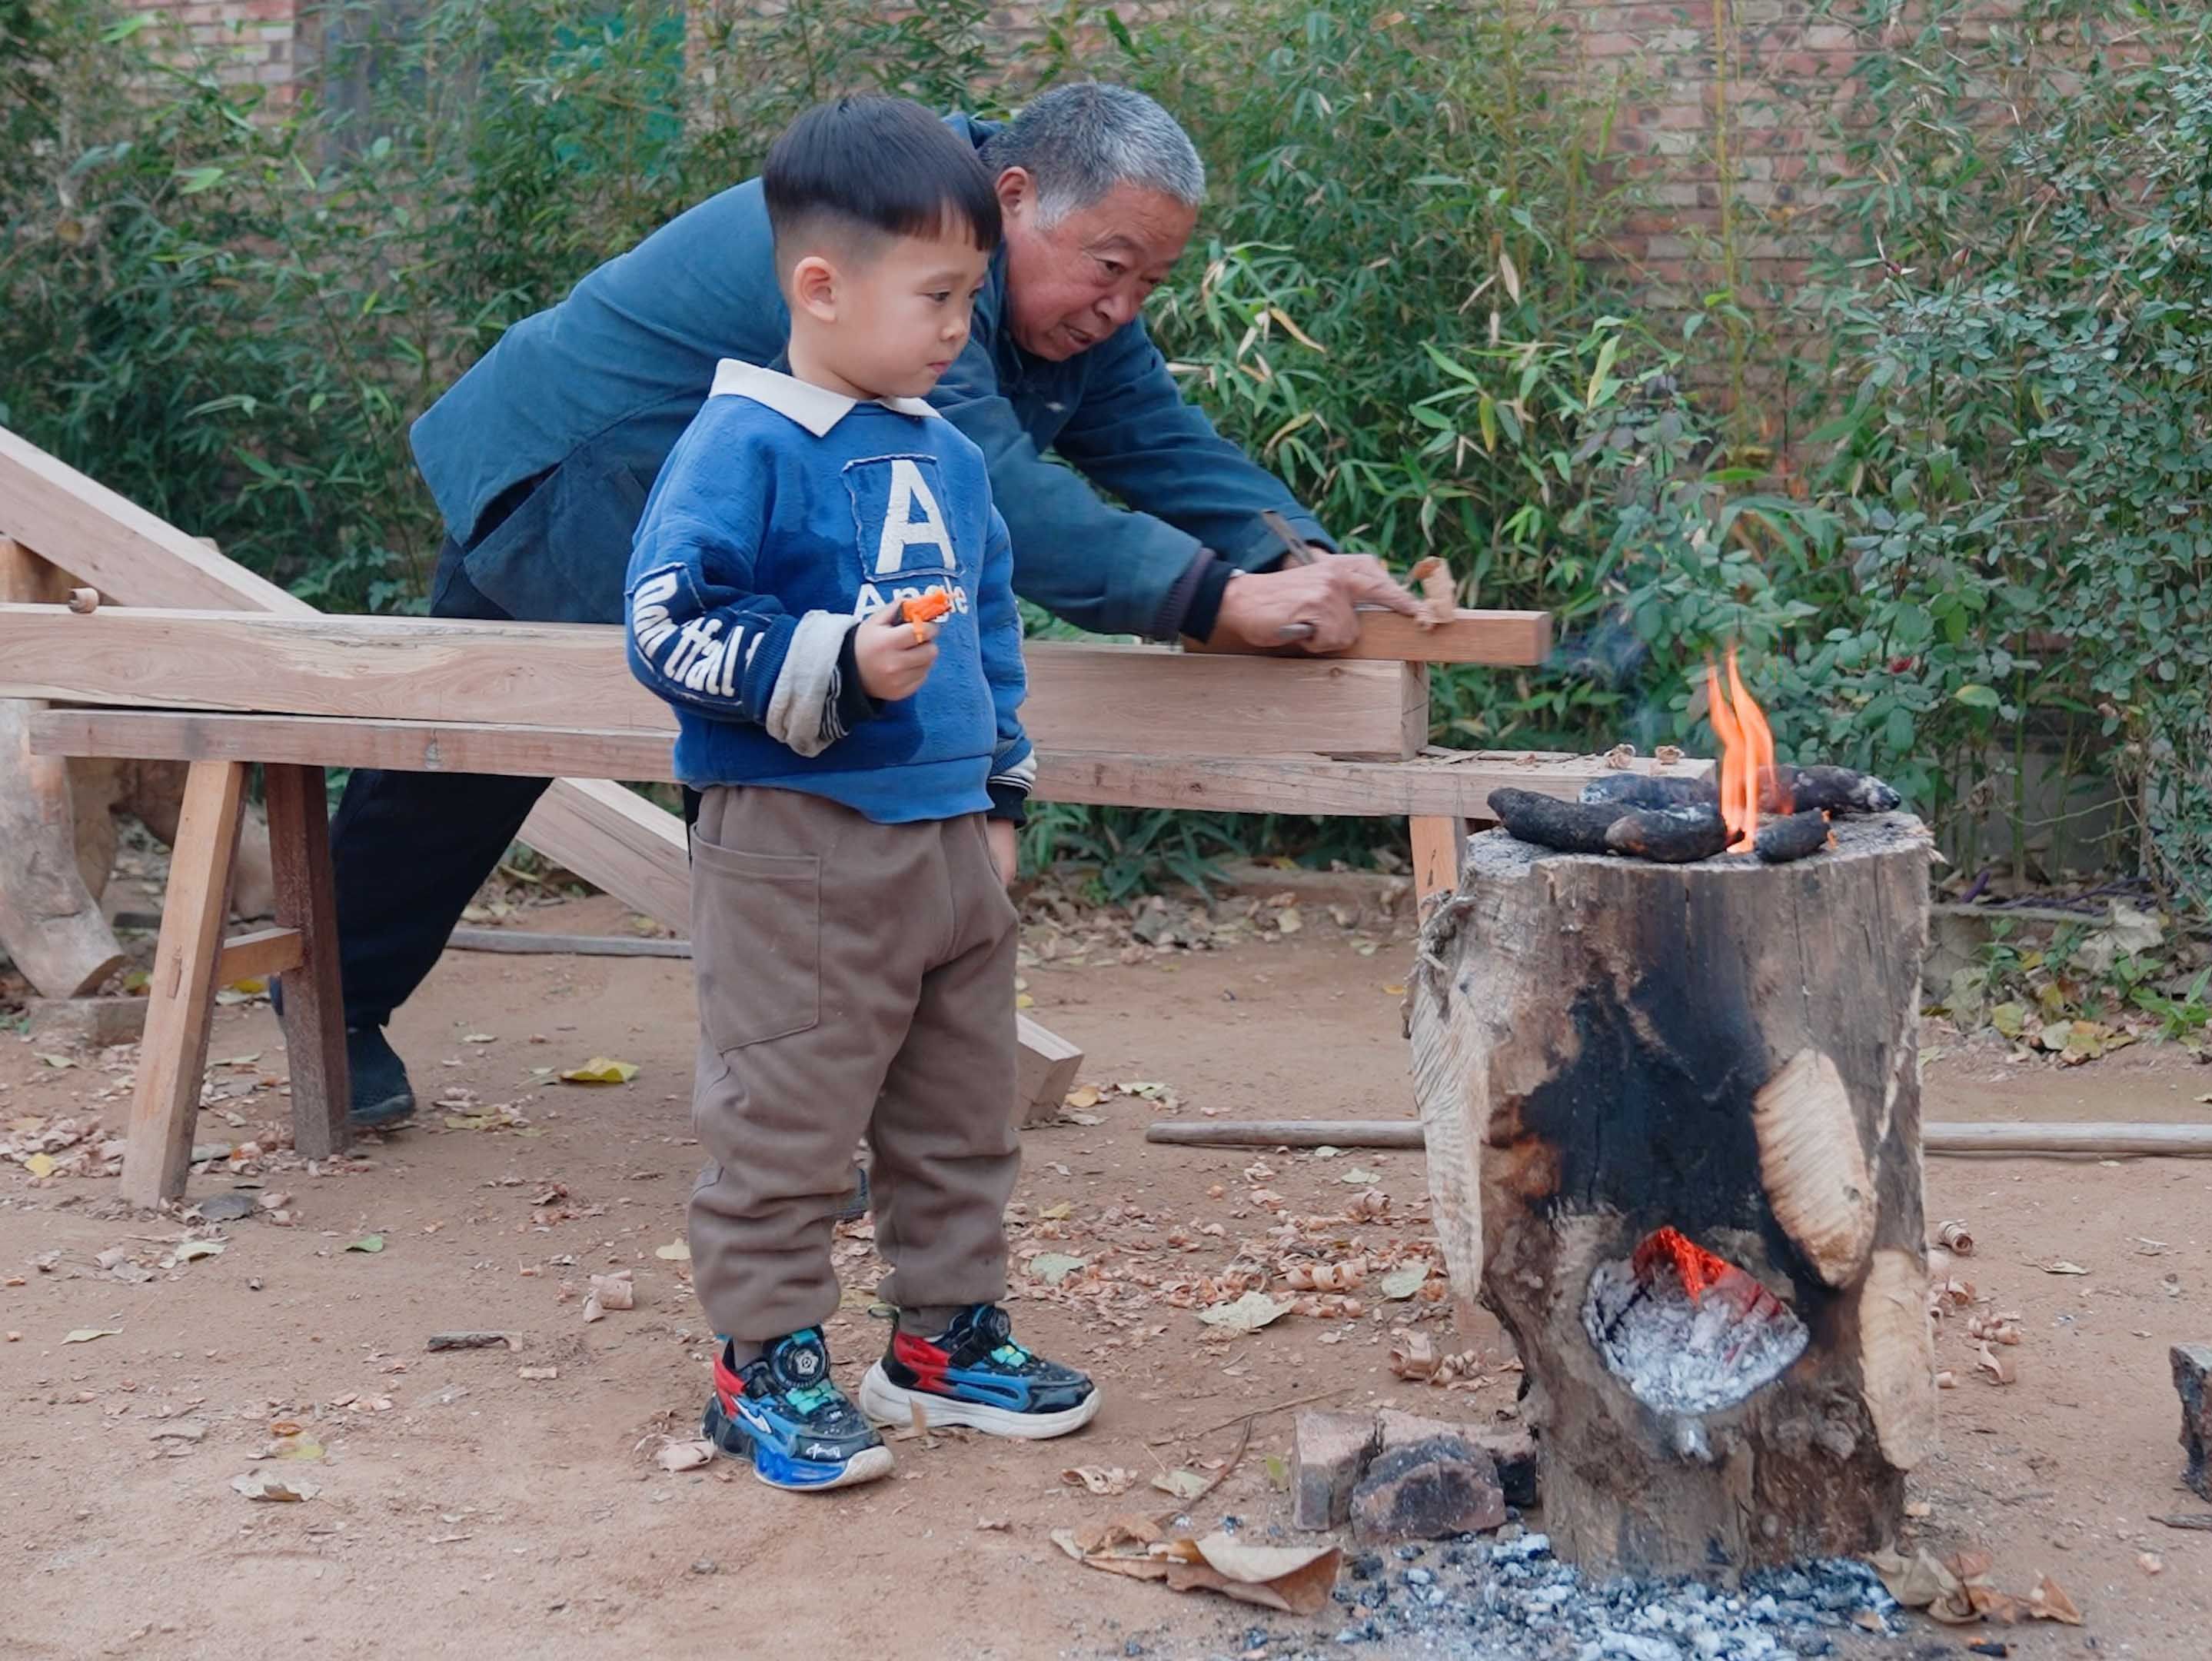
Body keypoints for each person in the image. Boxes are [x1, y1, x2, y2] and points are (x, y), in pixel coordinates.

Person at [325, 83, 1425, 1127]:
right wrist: (1216, 600)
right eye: (1111, 268)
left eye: (1148, 284)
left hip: (713, 495)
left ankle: (804, 1083)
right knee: (645, 752)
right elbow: (984, 490)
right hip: (575, 468)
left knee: (538, 756)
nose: (1121, 307)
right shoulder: (908, 244)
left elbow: (1159, 437)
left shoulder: (1038, 285)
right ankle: (772, 1098)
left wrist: (1301, 557)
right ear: (1016, 200)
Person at [624, 95, 1096, 1493]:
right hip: (801, 845)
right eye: (937, 297)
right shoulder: (744, 442)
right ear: (820, 288)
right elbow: (664, 621)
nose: (962, 329)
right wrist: (832, 657)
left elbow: (995, 624)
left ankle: (944, 1340)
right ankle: (760, 1362)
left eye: (972, 297)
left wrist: (1002, 795)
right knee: (787, 1115)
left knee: (961, 1112)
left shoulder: (944, 450)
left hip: (947, 841)